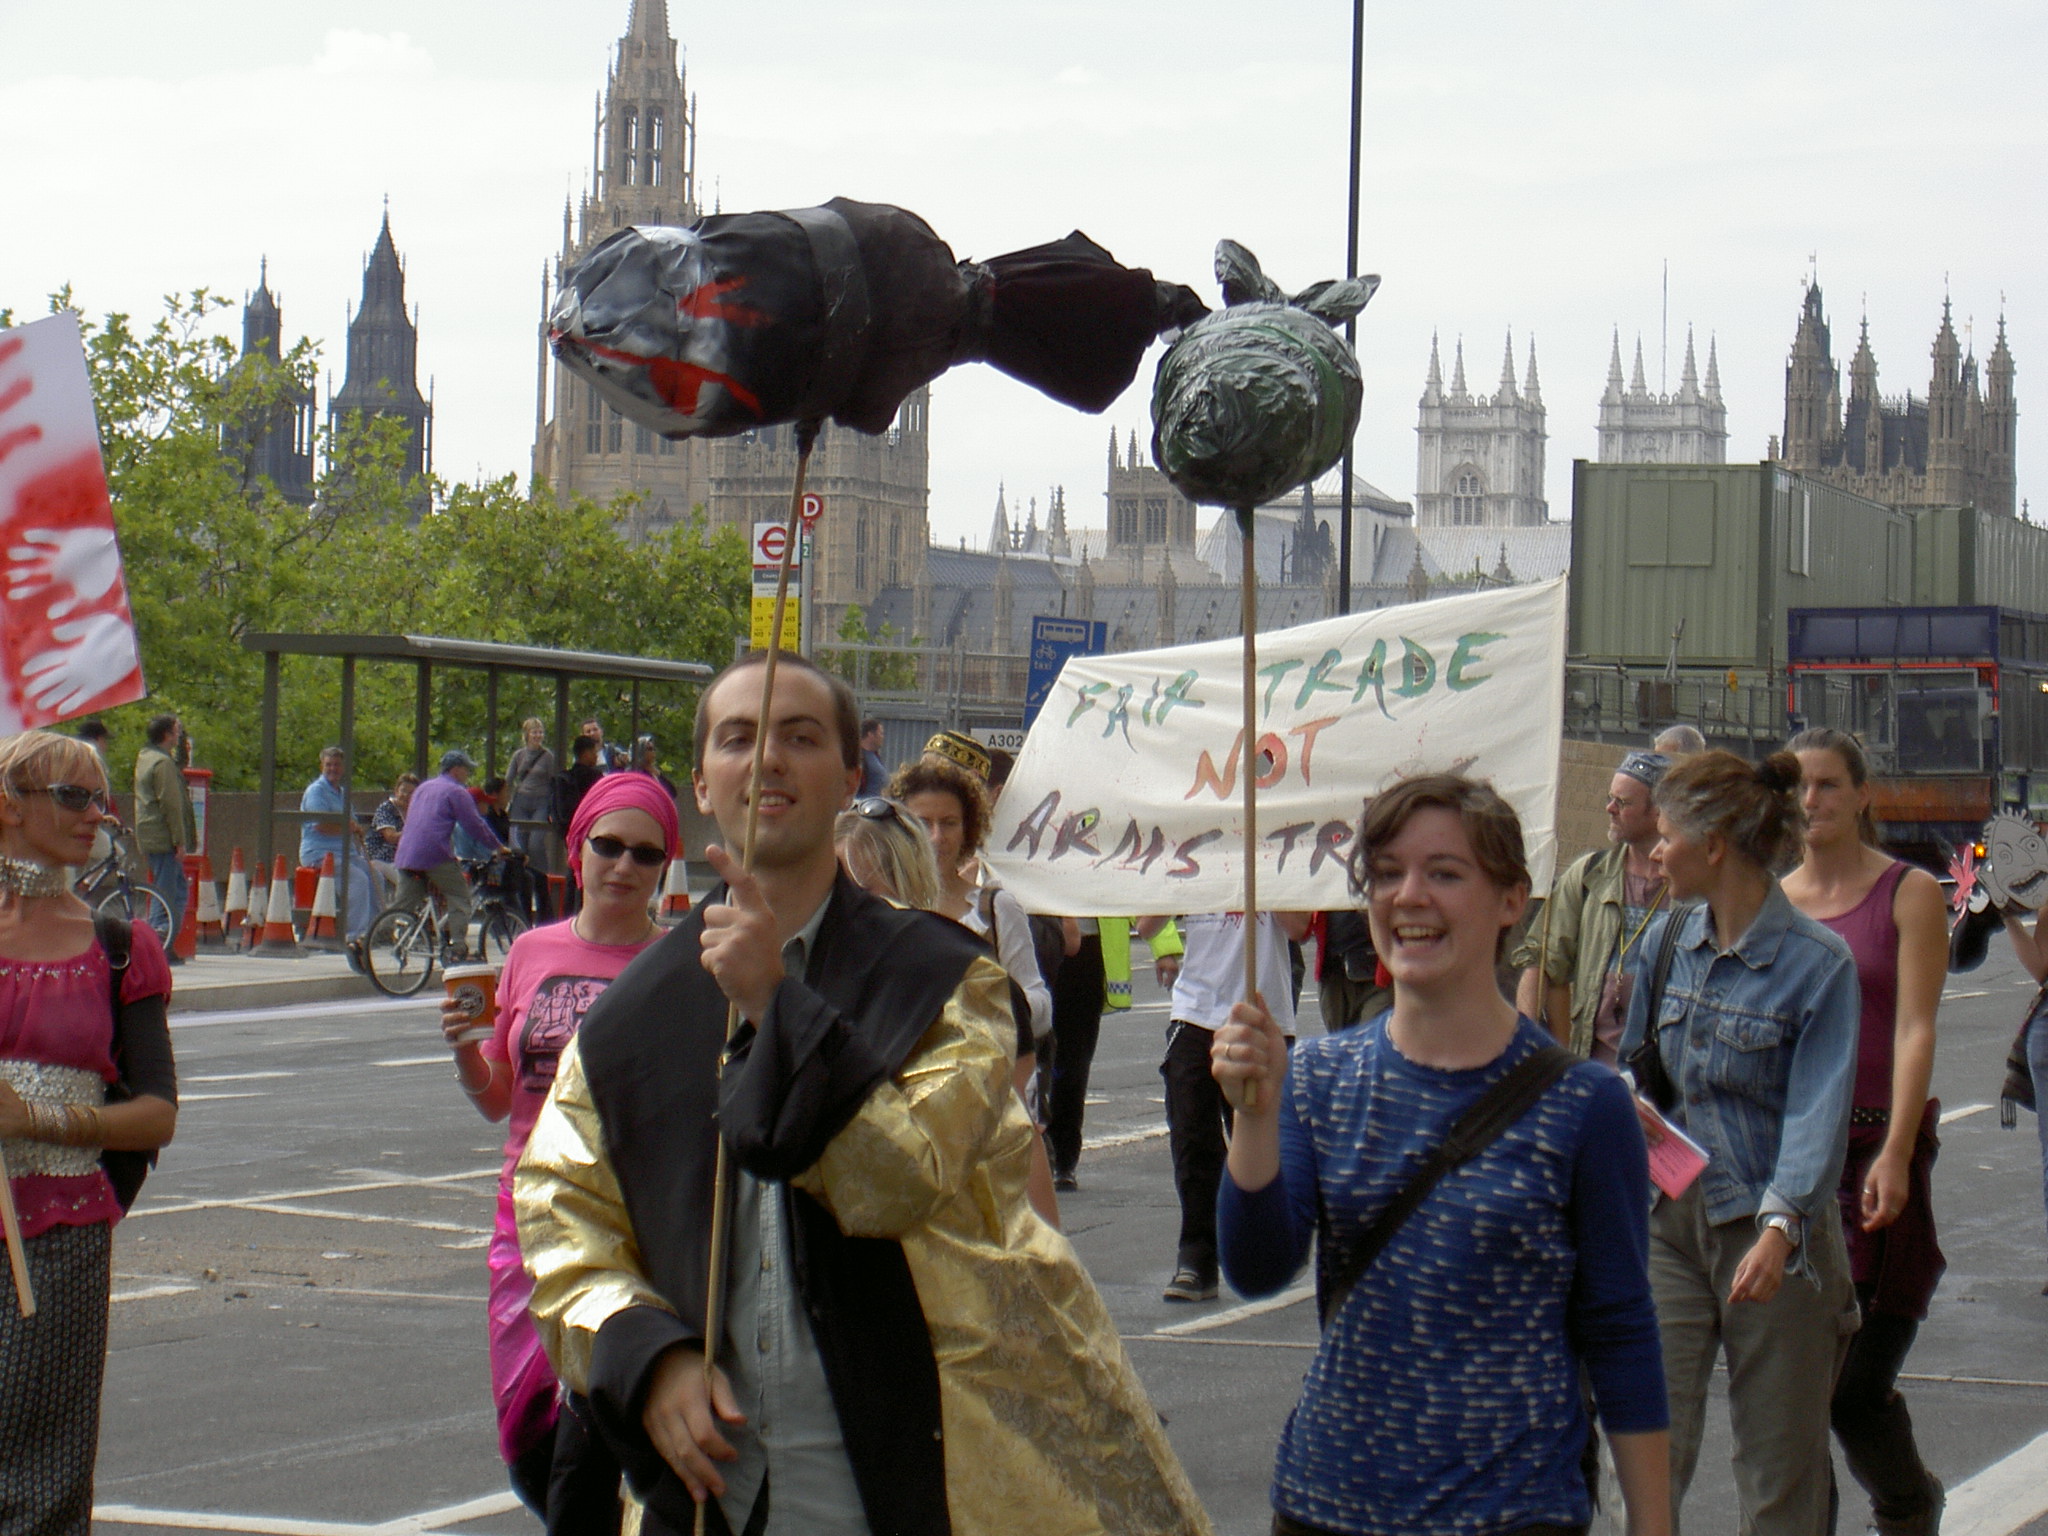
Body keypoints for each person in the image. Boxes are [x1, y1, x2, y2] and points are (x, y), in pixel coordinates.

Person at [515, 650, 1209, 1536]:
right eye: (739, 739)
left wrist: (777, 1008)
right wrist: (645, 1355)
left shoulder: (945, 981)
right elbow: (561, 1213)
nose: (768, 759)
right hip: (711, 1494)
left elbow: (900, 1179)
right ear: (701, 783)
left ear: (851, 778)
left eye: (800, 738)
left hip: (913, 1481)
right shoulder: (629, 1019)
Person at [1213, 772, 1671, 1536]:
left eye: (1445, 874)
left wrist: (1654, 1525)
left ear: (1511, 901)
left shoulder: (1586, 1104)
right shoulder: (1318, 1078)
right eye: (1387, 874)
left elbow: (1621, 1331)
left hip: (1514, 1513)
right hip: (1329, 1505)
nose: (1409, 897)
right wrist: (1254, 1118)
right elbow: (1256, 1269)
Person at [1618, 749, 1860, 1536]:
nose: (1656, 851)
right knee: (1645, 1456)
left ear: (1715, 844)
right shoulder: (1665, 941)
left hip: (1771, 1235)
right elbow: (1635, 1062)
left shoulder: (1818, 965)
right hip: (1670, 1220)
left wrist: (1781, 1228)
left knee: (1778, 1474)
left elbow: (1817, 1113)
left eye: (1667, 835)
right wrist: (1625, 1101)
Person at [443, 772, 675, 1529]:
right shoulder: (530, 951)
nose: (624, 866)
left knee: (596, 1433)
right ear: (577, 850)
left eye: (646, 854)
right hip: (526, 1218)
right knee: (526, 1437)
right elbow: (499, 1100)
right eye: (609, 846)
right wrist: (466, 1054)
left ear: (664, 866)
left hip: (625, 1226)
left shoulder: (679, 966)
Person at [0, 728, 178, 1532]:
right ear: (9, 806)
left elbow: (157, 1114)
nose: (96, 815)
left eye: (100, 799)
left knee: (40, 1474)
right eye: (72, 797)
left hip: (62, 1237)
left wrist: (38, 1119)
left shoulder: (118, 946)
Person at [1781, 728, 1949, 1536]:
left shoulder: (1907, 892)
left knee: (1854, 1384)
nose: (1810, 800)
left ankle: (1909, 1505)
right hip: (1796, 1162)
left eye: (1826, 784)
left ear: (1862, 795)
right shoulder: (1772, 903)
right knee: (1797, 1396)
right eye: (1797, 786)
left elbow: (1916, 1028)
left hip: (1880, 1150)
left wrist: (1897, 1150)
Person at [834, 792, 1061, 1226]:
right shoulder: (805, 982)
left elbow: (1018, 1139)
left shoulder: (973, 982)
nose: (848, 910)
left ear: (910, 884)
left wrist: (1048, 1248)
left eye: (869, 893)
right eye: (836, 891)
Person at [1142, 906, 1310, 1302]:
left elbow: (1298, 927)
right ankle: (1196, 1256)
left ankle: (1276, 1234)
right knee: (1191, 1135)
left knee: (1261, 1138)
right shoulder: (1196, 867)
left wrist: (1263, 881)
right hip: (1195, 1009)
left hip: (1260, 1011)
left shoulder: (1269, 868)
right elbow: (1147, 925)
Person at [1511, 750, 1672, 1061]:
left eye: (1623, 802)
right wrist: (1527, 1043)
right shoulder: (1589, 875)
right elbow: (1540, 959)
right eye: (1610, 798)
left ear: (1658, 812)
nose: (1609, 808)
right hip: (1591, 1066)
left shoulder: (1690, 888)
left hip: (1659, 1075)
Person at [393, 750, 506, 962]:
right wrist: (498, 847)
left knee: (403, 905)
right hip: (433, 854)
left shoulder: (423, 788)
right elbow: (474, 825)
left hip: (406, 853)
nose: (468, 774)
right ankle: (458, 948)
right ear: (456, 769)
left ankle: (368, 940)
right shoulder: (457, 792)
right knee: (459, 896)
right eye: (466, 769)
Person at [298, 747, 377, 940]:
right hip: (320, 853)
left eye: (337, 765)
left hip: (346, 853)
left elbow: (351, 821)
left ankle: (375, 929)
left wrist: (355, 828)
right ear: (322, 766)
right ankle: (354, 935)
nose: (333, 769)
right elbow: (321, 825)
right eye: (329, 765)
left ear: (343, 768)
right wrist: (348, 827)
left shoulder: (342, 793)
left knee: (376, 877)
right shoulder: (316, 792)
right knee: (358, 880)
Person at [132, 714, 194, 960]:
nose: (179, 735)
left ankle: (161, 942)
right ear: (167, 735)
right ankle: (158, 944)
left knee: (170, 888)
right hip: (163, 835)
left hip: (149, 832)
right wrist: (179, 840)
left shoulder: (146, 757)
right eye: (177, 731)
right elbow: (171, 804)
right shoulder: (163, 763)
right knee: (167, 894)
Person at [1311, 909, 1386, 1032]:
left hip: (1381, 973)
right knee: (1339, 1040)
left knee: (1371, 1037)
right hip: (1334, 969)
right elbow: (1298, 931)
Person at [506, 719, 558, 869]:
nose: (538, 735)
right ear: (527, 734)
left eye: (540, 732)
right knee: (518, 844)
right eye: (534, 732)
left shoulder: (548, 757)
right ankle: (519, 876)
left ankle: (541, 874)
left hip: (541, 802)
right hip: (521, 801)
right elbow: (508, 779)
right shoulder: (519, 755)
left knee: (536, 843)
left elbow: (554, 781)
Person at [366, 772, 418, 906]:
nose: (406, 795)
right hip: (381, 859)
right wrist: (416, 832)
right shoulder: (386, 809)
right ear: (396, 791)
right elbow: (391, 837)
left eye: (411, 793)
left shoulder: (414, 812)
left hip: (403, 861)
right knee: (409, 884)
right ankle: (399, 913)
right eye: (403, 791)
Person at [629, 735, 678, 800]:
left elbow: (671, 793)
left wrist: (659, 775)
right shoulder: (633, 773)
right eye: (650, 749)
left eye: (654, 749)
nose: (653, 752)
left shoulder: (655, 774)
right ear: (640, 751)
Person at [857, 718, 888, 797]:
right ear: (870, 734)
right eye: (881, 733)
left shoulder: (875, 756)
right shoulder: (858, 757)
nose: (882, 737)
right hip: (863, 802)